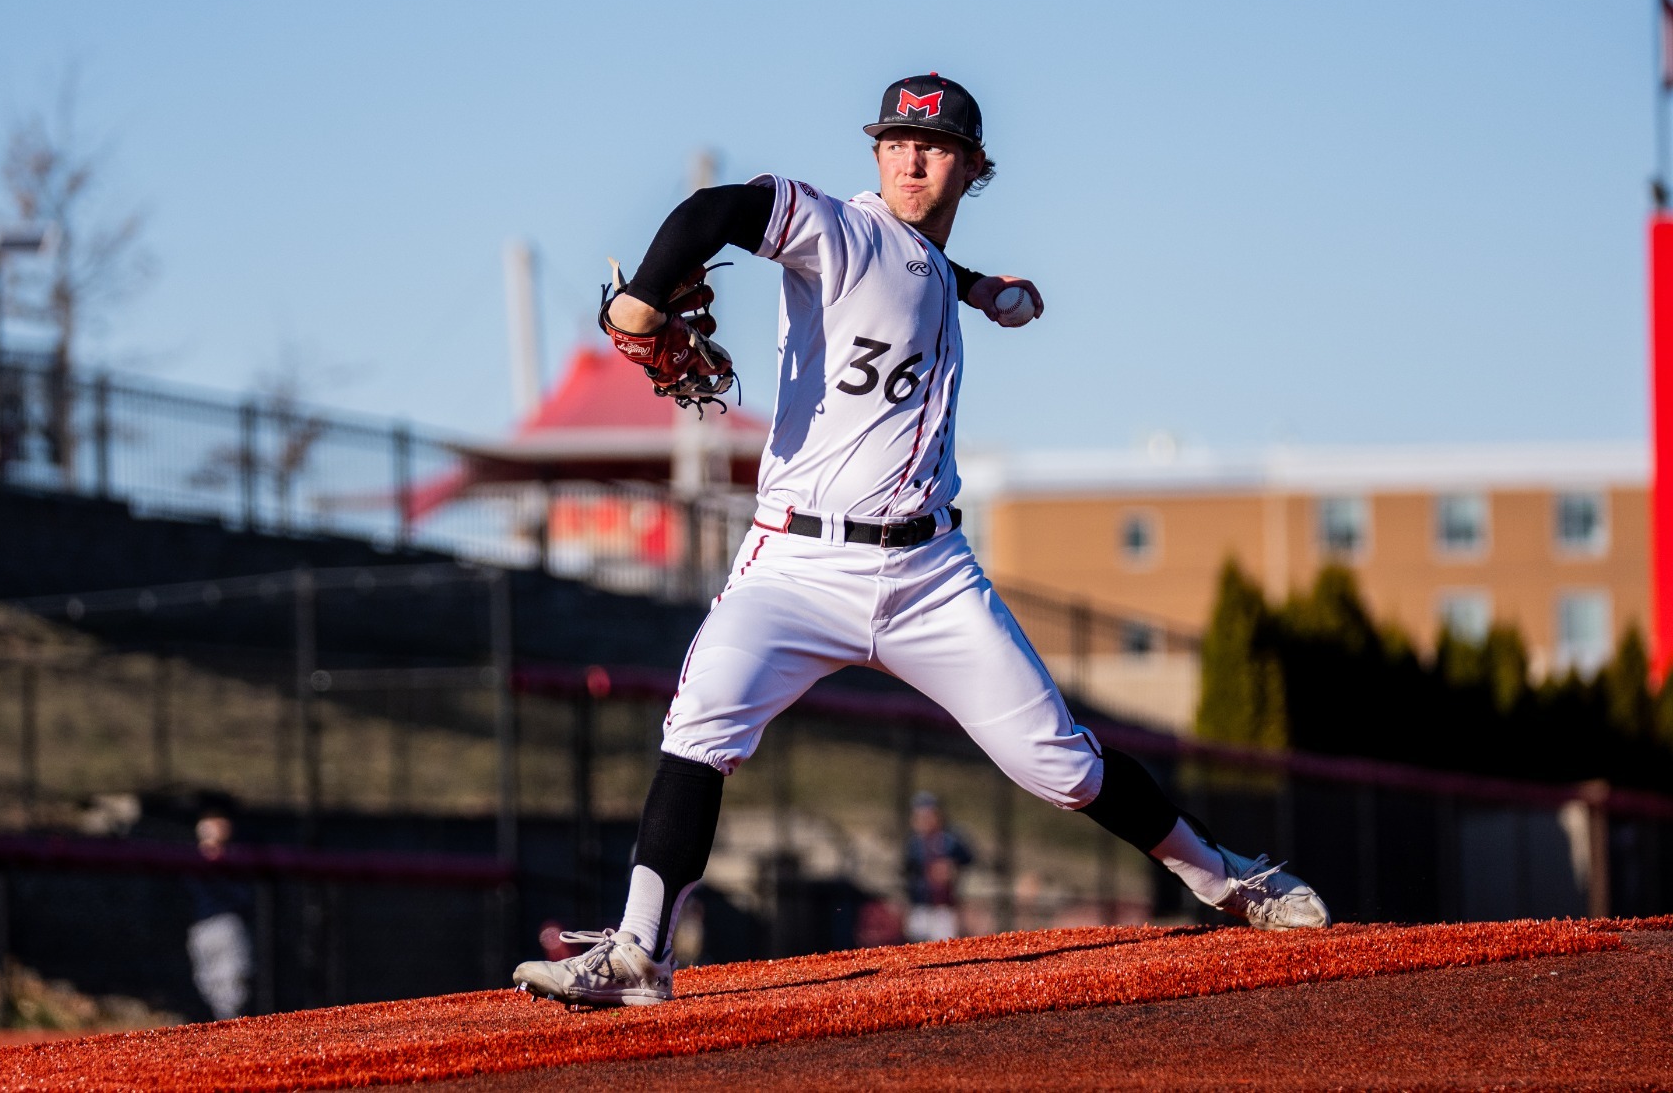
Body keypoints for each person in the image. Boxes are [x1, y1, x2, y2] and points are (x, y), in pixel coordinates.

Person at [513, 73, 1328, 1009]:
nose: (911, 156)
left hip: (930, 572)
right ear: (875, 154)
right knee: (699, 726)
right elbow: (714, 209)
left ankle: (1226, 878)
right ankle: (638, 955)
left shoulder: (927, 262)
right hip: (799, 564)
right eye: (896, 140)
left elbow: (926, 270)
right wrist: (645, 296)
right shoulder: (840, 226)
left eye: (934, 147)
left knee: (1060, 765)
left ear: (973, 168)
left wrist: (981, 286)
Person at [185, 809, 254, 1021]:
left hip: (226, 926)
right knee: (209, 986)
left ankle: (229, 1038)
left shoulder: (236, 859)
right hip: (202, 929)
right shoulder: (190, 862)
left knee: (231, 988)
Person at [902, 792, 973, 943]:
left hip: (943, 907)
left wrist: (952, 867)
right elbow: (906, 871)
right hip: (920, 905)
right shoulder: (914, 843)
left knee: (945, 948)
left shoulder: (949, 840)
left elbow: (968, 859)